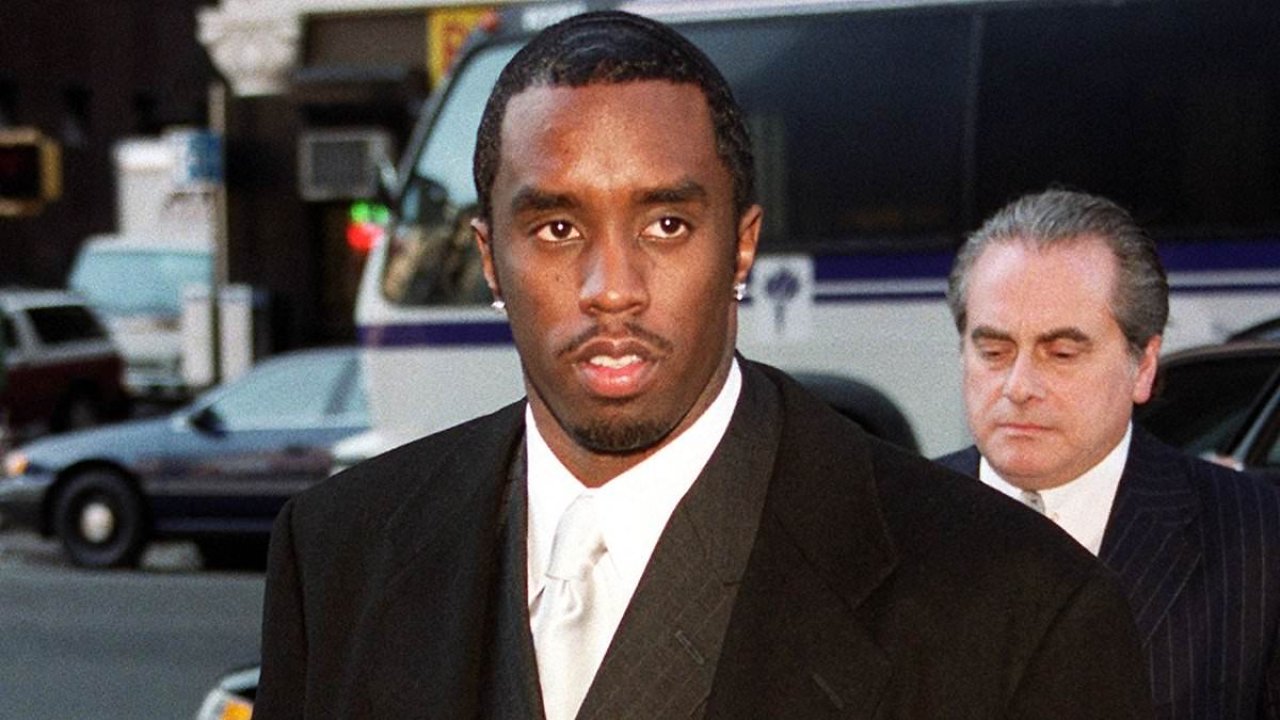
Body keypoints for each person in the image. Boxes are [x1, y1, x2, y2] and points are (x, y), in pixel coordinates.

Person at [254, 12, 1153, 719]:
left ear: (741, 246)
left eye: (666, 224)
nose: (612, 288)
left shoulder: (1018, 606)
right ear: (491, 258)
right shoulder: (336, 554)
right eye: (558, 228)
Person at [937, 188, 1280, 719]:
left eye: (1061, 353)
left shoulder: (1256, 541)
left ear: (1144, 366)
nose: (1018, 386)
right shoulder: (884, 524)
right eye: (994, 351)